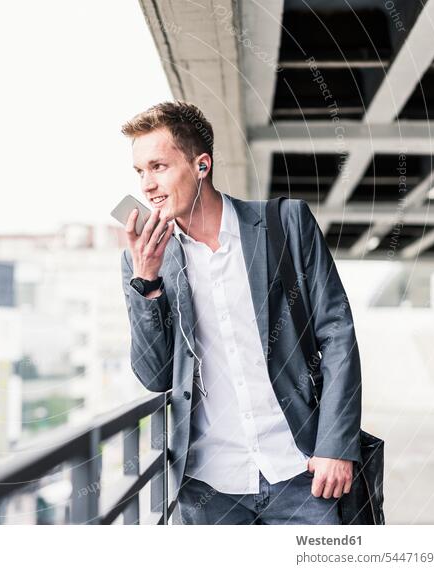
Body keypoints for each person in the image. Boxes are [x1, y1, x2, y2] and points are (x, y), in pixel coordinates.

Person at [119, 101, 362, 525]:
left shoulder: (285, 224)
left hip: (301, 468)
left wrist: (336, 445)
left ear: (201, 165)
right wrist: (148, 283)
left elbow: (336, 333)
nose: (147, 185)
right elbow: (155, 375)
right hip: (208, 485)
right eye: (139, 172)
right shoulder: (143, 261)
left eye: (158, 166)